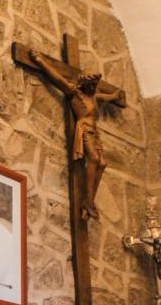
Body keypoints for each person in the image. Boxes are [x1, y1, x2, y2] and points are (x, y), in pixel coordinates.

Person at [29, 51, 122, 220]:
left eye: (95, 84)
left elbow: (106, 97)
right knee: (93, 158)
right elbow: (58, 79)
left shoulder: (93, 97)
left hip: (94, 132)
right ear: (84, 83)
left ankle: (88, 201)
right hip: (84, 129)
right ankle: (88, 202)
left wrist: (115, 96)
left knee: (103, 163)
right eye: (91, 84)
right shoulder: (75, 93)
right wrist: (41, 61)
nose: (93, 88)